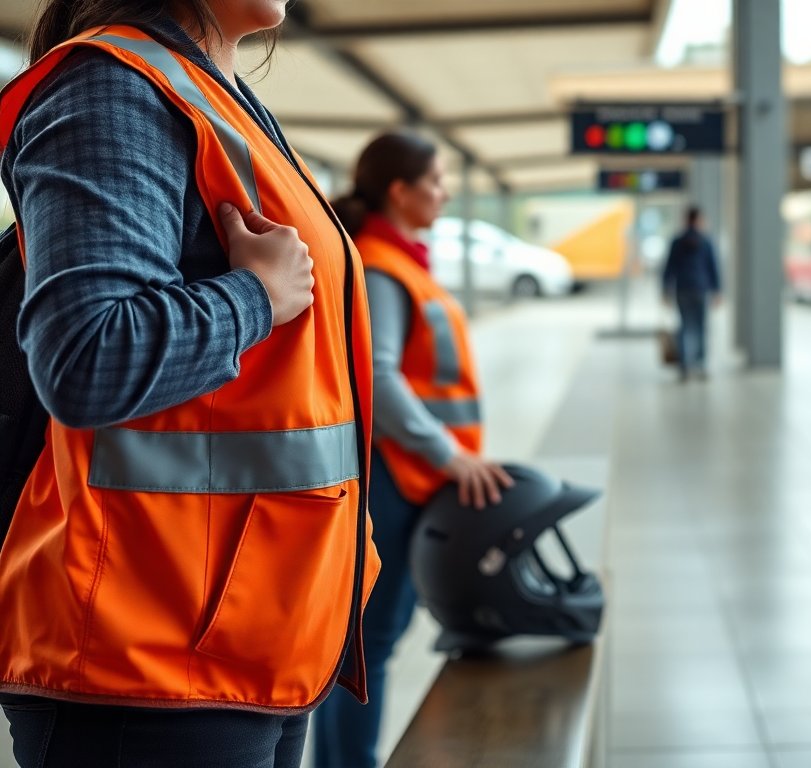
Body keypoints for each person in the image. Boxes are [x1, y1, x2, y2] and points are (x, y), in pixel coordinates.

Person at [0, 2, 380, 766]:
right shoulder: (114, 87)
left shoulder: (219, 102)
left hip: (251, 634)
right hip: (148, 656)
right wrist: (257, 297)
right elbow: (87, 356)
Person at [315, 131, 513, 768]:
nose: (444, 192)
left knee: (372, 639)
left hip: (407, 474)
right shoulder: (381, 267)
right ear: (399, 192)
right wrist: (446, 453)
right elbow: (378, 376)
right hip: (396, 475)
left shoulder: (400, 263)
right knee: (370, 642)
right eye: (435, 181)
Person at [662, 206, 721, 380]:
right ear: (698, 220)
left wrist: (665, 290)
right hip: (700, 289)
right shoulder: (706, 241)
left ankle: (684, 366)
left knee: (684, 327)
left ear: (686, 220)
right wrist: (717, 290)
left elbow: (669, 268)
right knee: (701, 327)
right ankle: (700, 365)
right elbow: (713, 268)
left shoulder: (677, 242)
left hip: (682, 288)